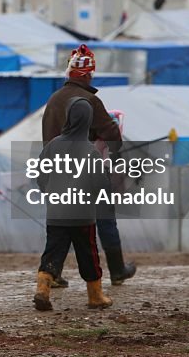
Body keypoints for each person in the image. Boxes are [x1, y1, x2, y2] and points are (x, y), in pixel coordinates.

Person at [42, 44, 137, 287]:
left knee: (61, 225)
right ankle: (117, 269)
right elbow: (112, 131)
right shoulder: (89, 101)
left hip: (58, 173)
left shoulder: (53, 100)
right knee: (105, 220)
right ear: (86, 75)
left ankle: (52, 273)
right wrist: (115, 156)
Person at [32, 98, 113, 311]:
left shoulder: (53, 146)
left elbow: (41, 177)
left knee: (52, 252)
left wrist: (52, 195)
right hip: (82, 215)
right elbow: (100, 185)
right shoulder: (90, 151)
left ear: (68, 118)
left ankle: (42, 290)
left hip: (56, 213)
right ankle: (95, 296)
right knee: (89, 255)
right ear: (88, 121)